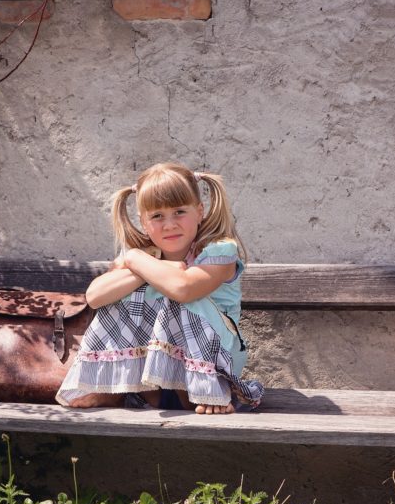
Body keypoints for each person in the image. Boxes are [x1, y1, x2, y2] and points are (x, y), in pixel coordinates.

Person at [56, 162, 263, 414]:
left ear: (200, 212)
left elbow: (183, 288)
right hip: (153, 378)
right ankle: (115, 391)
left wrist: (136, 262)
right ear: (144, 222)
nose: (169, 224)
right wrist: (141, 260)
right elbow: (95, 296)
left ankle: (206, 392)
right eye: (157, 216)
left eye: (179, 212)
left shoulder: (219, 251)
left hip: (216, 359)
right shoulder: (143, 256)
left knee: (175, 296)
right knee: (122, 295)